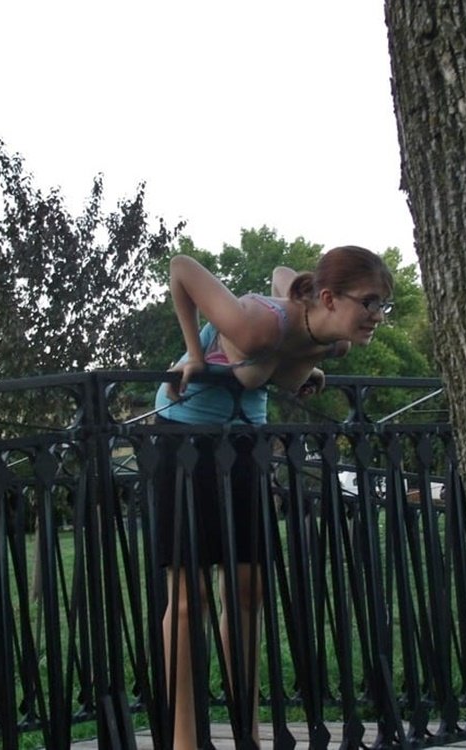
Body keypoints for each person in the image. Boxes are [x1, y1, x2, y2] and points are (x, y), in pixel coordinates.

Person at [152, 245, 394, 749]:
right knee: (190, 598)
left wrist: (307, 367)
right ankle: (184, 741)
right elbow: (181, 268)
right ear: (330, 298)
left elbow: (286, 274)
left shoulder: (333, 343)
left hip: (246, 440)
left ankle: (248, 735)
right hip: (185, 433)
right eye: (370, 302)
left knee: (248, 590)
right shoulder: (258, 325)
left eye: (382, 305)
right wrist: (195, 355)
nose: (377, 315)